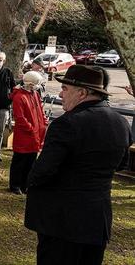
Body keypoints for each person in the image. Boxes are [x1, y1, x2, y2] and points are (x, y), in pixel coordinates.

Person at [25, 65, 131, 265]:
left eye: (65, 89)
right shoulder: (120, 122)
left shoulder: (67, 123)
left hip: (62, 221)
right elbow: (121, 164)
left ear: (82, 93)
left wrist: (31, 181)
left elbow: (43, 171)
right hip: (97, 218)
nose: (61, 94)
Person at [9, 71, 47, 195]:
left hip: (36, 133)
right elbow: (20, 117)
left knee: (31, 161)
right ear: (30, 84)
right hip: (26, 134)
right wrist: (31, 128)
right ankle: (15, 185)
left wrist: (43, 121)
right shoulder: (19, 96)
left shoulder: (34, 93)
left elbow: (40, 108)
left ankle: (25, 184)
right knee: (20, 161)